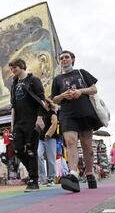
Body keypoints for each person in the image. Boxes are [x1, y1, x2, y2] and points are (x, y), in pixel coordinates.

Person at [51, 50, 102, 192]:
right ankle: (73, 174)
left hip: (85, 112)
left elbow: (94, 89)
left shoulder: (81, 72)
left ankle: (90, 173)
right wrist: (62, 95)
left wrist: (80, 92)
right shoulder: (57, 80)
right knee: (71, 141)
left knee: (86, 145)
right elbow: (54, 99)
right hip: (67, 113)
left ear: (72, 59)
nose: (64, 60)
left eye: (66, 57)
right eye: (61, 58)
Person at [9, 58, 46, 192]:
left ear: (22, 66)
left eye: (15, 68)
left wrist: (40, 118)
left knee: (31, 150)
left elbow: (41, 100)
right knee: (18, 150)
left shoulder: (33, 80)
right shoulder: (14, 84)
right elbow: (13, 105)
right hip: (19, 122)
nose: (13, 71)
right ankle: (32, 173)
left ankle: (33, 181)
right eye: (11, 69)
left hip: (32, 120)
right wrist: (12, 124)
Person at [38, 97, 58, 186]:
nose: (43, 104)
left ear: (48, 104)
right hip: (40, 139)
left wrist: (48, 134)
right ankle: (42, 178)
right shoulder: (40, 114)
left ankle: (51, 178)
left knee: (51, 159)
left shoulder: (52, 113)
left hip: (50, 139)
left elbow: (54, 125)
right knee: (38, 155)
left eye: (44, 102)